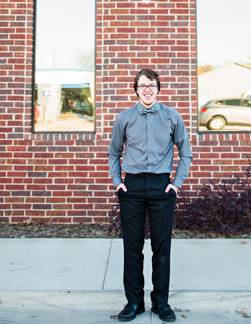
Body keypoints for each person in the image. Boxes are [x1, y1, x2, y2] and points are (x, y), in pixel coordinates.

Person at [108, 68, 193, 322]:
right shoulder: (123, 118)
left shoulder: (172, 117)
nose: (147, 90)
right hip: (131, 189)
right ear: (136, 89)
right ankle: (134, 302)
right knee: (132, 248)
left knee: (161, 248)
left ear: (158, 89)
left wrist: (175, 185)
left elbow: (185, 153)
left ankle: (161, 303)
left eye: (152, 86)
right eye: (143, 85)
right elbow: (113, 153)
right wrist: (117, 183)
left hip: (161, 188)